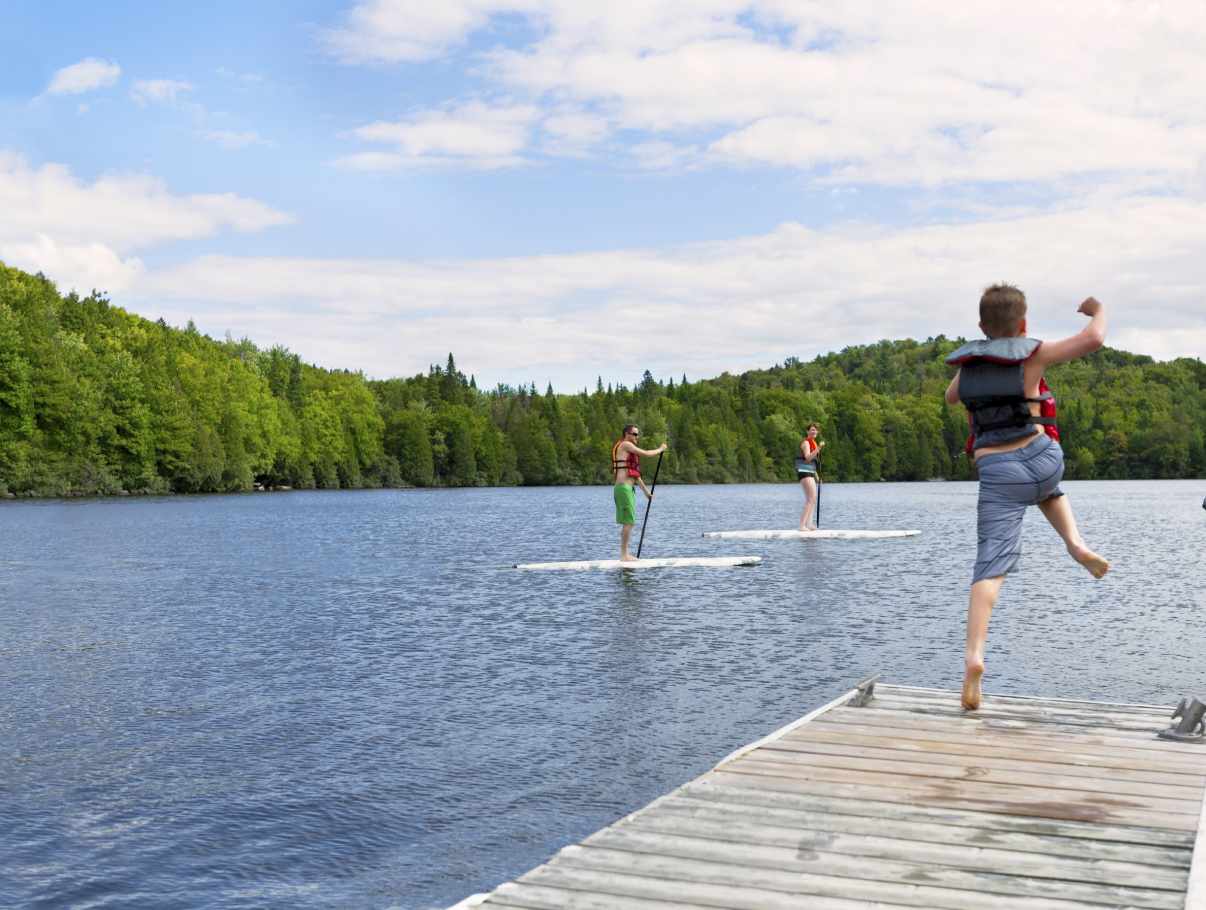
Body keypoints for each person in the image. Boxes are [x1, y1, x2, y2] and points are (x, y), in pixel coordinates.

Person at [944, 284, 1111, 711]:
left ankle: (974, 657)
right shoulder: (1032, 356)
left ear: (980, 326)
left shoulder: (969, 366)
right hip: (1044, 459)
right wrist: (1096, 308)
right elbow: (1093, 338)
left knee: (990, 564)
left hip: (999, 474)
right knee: (1047, 490)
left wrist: (975, 362)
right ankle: (1075, 543)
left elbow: (951, 397)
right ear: (1024, 324)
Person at [611, 424, 668, 561]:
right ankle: (624, 555)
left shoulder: (628, 451)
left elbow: (635, 476)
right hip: (623, 488)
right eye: (635, 434)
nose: (637, 436)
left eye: (638, 434)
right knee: (629, 522)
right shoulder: (626, 445)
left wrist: (646, 492)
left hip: (627, 489)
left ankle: (625, 554)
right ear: (627, 434)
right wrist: (660, 449)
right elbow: (646, 453)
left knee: (628, 522)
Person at [796, 423, 825, 531]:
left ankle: (808, 524)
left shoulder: (813, 443)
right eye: (812, 430)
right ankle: (802, 525)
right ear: (807, 431)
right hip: (804, 472)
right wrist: (819, 448)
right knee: (810, 499)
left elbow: (813, 462)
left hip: (810, 472)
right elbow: (808, 458)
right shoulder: (806, 443)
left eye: (816, 430)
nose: (814, 431)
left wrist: (817, 477)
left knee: (813, 499)